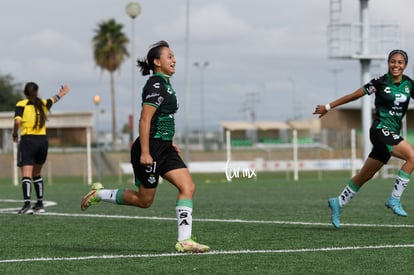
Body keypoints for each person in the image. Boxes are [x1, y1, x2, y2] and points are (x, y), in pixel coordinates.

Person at [81, 40, 210, 253]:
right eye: (169, 56)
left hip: (165, 147)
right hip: (148, 148)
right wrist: (146, 151)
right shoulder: (156, 85)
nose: (174, 59)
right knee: (144, 200)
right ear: (157, 62)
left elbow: (162, 118)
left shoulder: (166, 83)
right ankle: (99, 194)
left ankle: (185, 240)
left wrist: (168, 141)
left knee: (188, 187)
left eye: (173, 56)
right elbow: (144, 119)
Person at [313, 49, 414, 228]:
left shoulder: (409, 84)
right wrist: (328, 106)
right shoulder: (379, 82)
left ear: (405, 65)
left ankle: (338, 202)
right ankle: (394, 199)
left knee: (366, 174)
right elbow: (354, 95)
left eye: (400, 62)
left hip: (391, 134)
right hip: (380, 130)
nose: (396, 65)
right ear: (388, 63)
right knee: (412, 157)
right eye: (393, 61)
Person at [13, 82, 70, 214]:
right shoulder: (43, 103)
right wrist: (62, 93)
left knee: (26, 174)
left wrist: (15, 133)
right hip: (42, 141)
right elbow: (54, 99)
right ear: (37, 92)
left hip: (28, 140)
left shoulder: (21, 104)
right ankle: (39, 204)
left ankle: (27, 205)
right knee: (37, 174)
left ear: (25, 93)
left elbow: (17, 121)